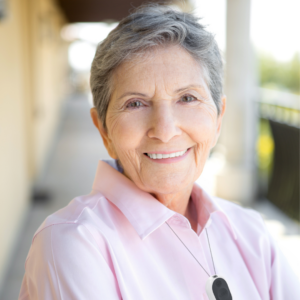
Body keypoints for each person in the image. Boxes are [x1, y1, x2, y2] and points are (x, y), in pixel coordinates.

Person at [18, 5, 299, 300]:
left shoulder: (252, 234)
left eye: (187, 98)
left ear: (218, 119)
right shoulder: (71, 244)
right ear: (103, 129)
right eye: (135, 103)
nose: (164, 131)